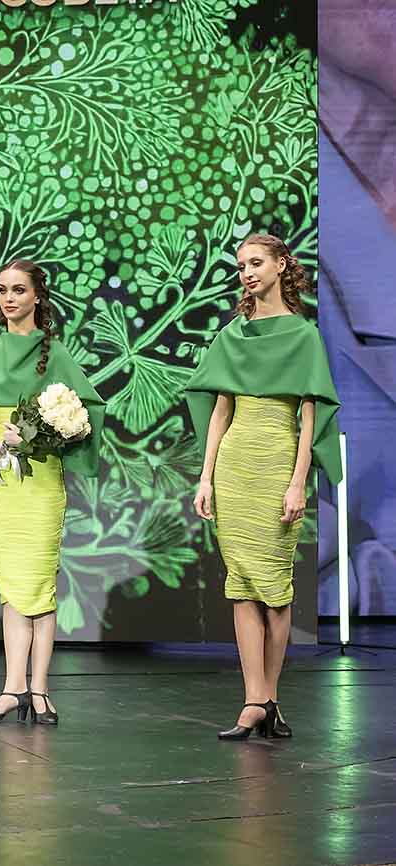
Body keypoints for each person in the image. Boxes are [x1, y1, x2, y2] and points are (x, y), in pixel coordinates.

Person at [186, 233, 342, 741]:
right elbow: (220, 412)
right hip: (234, 465)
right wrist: (206, 477)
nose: (248, 272)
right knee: (241, 585)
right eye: (241, 266)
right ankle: (253, 700)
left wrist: (299, 483)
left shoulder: (303, 335)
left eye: (256, 262)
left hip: (278, 461)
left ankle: (269, 697)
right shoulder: (234, 334)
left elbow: (310, 417)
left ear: (281, 266)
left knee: (274, 589)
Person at [0, 260, 104, 727]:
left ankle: (40, 690)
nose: (9, 298)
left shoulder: (56, 355)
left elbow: (83, 417)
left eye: (18, 290)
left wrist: (38, 436)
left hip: (41, 481)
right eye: (2, 291)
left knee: (39, 582)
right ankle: (13, 688)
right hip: (1, 481)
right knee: (12, 583)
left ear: (37, 296)